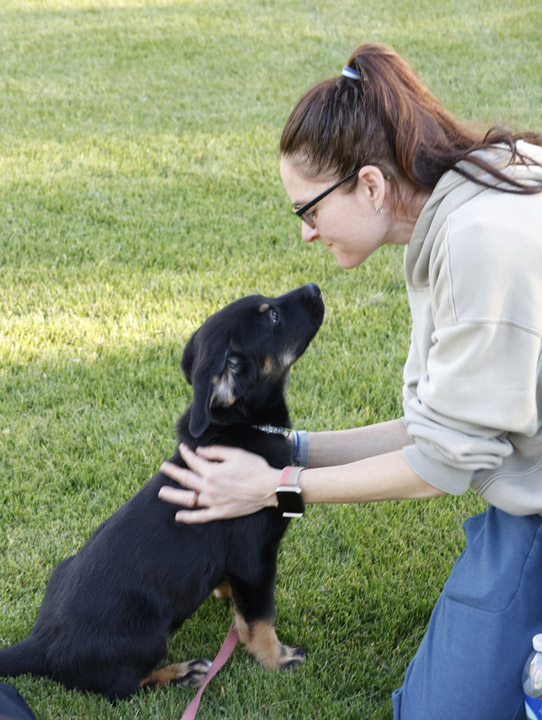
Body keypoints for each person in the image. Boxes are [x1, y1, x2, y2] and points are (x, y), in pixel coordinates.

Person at [158, 43, 542, 719]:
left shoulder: (481, 240)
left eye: (308, 210)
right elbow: (453, 427)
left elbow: (441, 466)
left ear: (369, 184)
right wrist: (291, 450)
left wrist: (275, 490)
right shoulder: (462, 199)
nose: (306, 235)